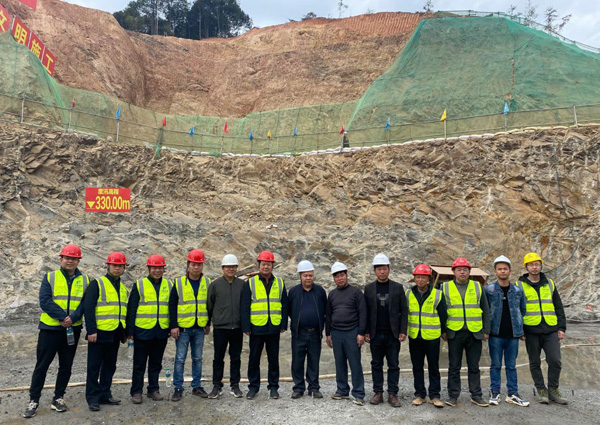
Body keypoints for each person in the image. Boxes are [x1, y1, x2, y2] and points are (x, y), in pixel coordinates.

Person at [23, 244, 90, 418]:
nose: (70, 261)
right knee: (42, 366)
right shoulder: (50, 277)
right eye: (67, 258)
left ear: (78, 261)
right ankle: (33, 400)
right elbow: (45, 300)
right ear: (61, 259)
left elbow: (85, 303)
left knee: (66, 366)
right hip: (50, 329)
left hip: (72, 329)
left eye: (73, 258)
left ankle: (58, 398)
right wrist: (63, 317)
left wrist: (72, 319)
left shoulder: (85, 280)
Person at [516, 252, 567, 405]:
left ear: (540, 266)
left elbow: (558, 306)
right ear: (526, 267)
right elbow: (516, 310)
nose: (534, 267)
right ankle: (541, 389)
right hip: (531, 330)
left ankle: (553, 389)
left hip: (550, 329)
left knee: (555, 361)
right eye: (531, 264)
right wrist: (520, 330)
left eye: (537, 264)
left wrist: (561, 327)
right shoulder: (519, 285)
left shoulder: (549, 283)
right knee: (534, 362)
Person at [442, 257, 490, 408]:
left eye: (465, 270)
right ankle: (453, 396)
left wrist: (486, 330)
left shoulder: (477, 286)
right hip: (454, 333)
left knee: (474, 366)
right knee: (454, 366)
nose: (462, 272)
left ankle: (476, 395)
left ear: (469, 271)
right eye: (459, 270)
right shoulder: (445, 287)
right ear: (453, 272)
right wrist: (443, 330)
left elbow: (485, 309)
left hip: (474, 332)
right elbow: (442, 311)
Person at [84, 252, 129, 412]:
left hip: (115, 332)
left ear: (124, 268)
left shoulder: (122, 288)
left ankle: (105, 394)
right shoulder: (97, 284)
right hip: (99, 332)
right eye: (115, 265)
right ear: (108, 266)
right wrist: (91, 330)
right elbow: (88, 308)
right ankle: (92, 398)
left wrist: (125, 332)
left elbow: (123, 311)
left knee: (110, 366)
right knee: (94, 367)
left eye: (120, 266)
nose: (117, 268)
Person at [241, 250, 288, 400]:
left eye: (268, 264)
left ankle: (273, 387)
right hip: (256, 327)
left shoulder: (279, 282)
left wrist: (283, 323)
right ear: (259, 265)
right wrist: (246, 326)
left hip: (274, 327)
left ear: (272, 265)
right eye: (263, 264)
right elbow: (245, 306)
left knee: (273, 360)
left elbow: (284, 305)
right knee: (254, 359)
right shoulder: (250, 283)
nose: (266, 266)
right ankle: (253, 387)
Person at [126, 254, 172, 404]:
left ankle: (153, 389)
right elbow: (132, 308)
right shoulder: (140, 284)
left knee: (156, 363)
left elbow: (172, 308)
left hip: (161, 331)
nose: (157, 271)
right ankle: (136, 392)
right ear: (149, 268)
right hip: (143, 330)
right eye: (154, 268)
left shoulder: (169, 285)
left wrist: (171, 327)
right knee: (139, 364)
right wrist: (130, 331)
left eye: (160, 268)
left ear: (163, 269)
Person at [484, 255, 529, 407]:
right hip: (495, 335)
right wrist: (486, 330)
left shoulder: (517, 290)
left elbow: (522, 310)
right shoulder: (488, 290)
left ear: (510, 271)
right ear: (495, 271)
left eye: (505, 269)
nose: (502, 271)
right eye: (499, 269)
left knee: (511, 366)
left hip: (513, 335)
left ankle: (513, 394)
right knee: (495, 365)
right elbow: (485, 311)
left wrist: (520, 329)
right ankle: (494, 392)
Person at [364, 253, 408, 407]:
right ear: (374, 271)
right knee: (376, 364)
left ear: (389, 269)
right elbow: (366, 311)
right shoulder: (369, 288)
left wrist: (403, 330)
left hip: (392, 334)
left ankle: (392, 394)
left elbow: (404, 310)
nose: (382, 272)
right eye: (379, 269)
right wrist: (366, 331)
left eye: (384, 268)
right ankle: (378, 392)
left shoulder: (397, 287)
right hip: (375, 334)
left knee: (393, 364)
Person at [169, 249, 211, 402]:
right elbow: (172, 305)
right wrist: (173, 326)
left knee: (198, 358)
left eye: (199, 264)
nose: (196, 267)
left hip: (199, 328)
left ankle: (196, 386)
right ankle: (178, 387)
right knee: (180, 359)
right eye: (193, 264)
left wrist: (208, 323)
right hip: (183, 329)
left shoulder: (207, 283)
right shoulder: (179, 282)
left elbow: (209, 305)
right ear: (188, 265)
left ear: (202, 266)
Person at [405, 263, 447, 408]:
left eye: (423, 277)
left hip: (432, 337)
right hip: (415, 336)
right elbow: (404, 314)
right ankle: (420, 395)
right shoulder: (408, 294)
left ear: (429, 279)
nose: (420, 280)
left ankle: (435, 395)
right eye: (418, 277)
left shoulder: (437, 294)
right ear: (414, 278)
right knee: (417, 367)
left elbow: (443, 314)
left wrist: (444, 332)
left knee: (433, 367)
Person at [326, 262, 367, 406]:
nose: (340, 278)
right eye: (337, 276)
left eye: (342, 275)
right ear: (334, 278)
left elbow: (363, 313)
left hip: (352, 332)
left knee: (355, 364)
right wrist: (328, 334)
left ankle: (359, 393)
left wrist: (361, 333)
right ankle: (342, 390)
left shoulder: (356, 292)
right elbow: (328, 315)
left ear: (346, 275)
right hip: (336, 333)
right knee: (339, 363)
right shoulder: (332, 294)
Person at [207, 254, 245, 399]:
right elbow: (209, 305)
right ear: (223, 268)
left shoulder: (242, 285)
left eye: (233, 267)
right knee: (218, 357)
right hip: (220, 328)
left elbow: (245, 306)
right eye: (228, 267)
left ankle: (235, 385)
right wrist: (208, 323)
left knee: (236, 358)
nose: (231, 269)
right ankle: (217, 386)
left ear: (236, 268)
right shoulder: (215, 285)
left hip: (237, 328)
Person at [288, 260, 327, 399]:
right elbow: (289, 310)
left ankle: (314, 388)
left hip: (315, 333)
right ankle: (298, 388)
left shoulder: (320, 291)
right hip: (299, 333)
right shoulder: (293, 292)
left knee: (314, 361)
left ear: (313, 275)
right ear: (300, 276)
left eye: (310, 275)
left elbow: (325, 310)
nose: (308, 278)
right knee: (297, 362)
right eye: (305, 275)